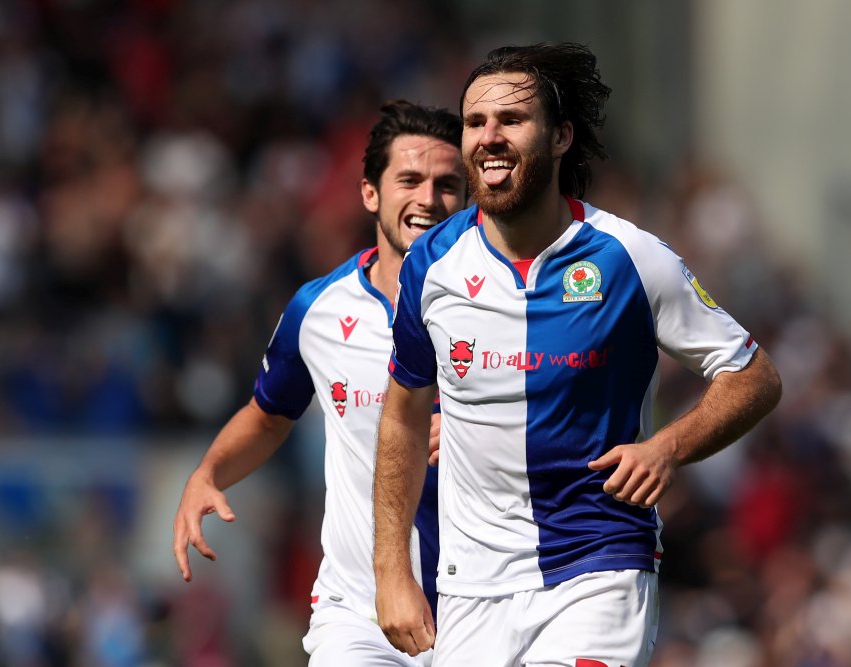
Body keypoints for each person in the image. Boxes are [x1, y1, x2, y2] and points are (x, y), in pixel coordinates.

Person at [372, 43, 782, 667]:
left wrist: (669, 446)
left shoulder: (630, 258)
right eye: (475, 122)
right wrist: (392, 572)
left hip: (598, 565)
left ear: (560, 136)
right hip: (472, 585)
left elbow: (753, 376)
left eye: (511, 120)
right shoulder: (431, 264)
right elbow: (402, 415)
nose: (489, 137)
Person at [172, 99, 467, 666]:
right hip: (358, 613)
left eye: (447, 184)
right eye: (409, 180)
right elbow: (268, 415)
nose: (428, 199)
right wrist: (208, 472)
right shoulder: (319, 309)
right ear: (370, 194)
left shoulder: (506, 307)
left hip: (481, 607)